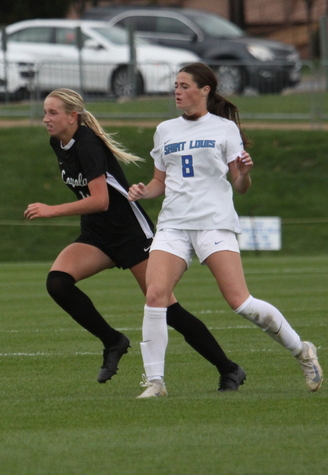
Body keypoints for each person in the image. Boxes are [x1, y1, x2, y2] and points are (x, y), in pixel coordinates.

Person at [24, 88, 246, 390]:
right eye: (45, 113)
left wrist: (52, 210)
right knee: (58, 283)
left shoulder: (88, 143)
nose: (45, 119)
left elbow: (101, 200)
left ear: (72, 116)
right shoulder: (58, 142)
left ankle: (228, 368)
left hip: (130, 232)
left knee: (167, 309)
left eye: (52, 113)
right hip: (96, 233)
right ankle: (113, 341)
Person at [127, 63, 323, 398]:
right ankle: (156, 382)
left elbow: (240, 185)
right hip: (173, 225)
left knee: (240, 302)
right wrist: (142, 191)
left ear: (205, 91)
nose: (177, 91)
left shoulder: (224, 129)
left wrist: (245, 173)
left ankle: (302, 350)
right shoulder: (165, 131)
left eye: (184, 85)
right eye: (175, 85)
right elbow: (160, 182)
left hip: (214, 222)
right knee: (155, 295)